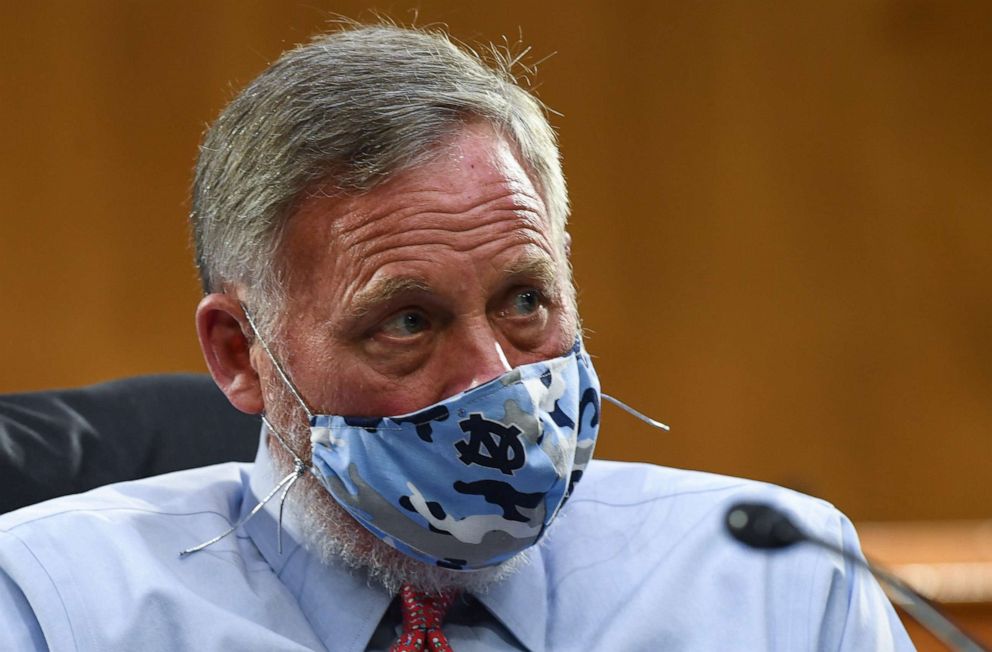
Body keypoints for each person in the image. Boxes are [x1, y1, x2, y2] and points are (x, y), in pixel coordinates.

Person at [0, 23, 912, 651]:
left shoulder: (778, 585)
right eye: (407, 322)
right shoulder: (53, 608)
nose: (497, 382)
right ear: (241, 355)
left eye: (525, 303)